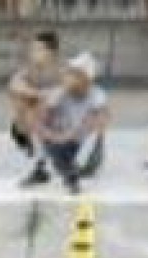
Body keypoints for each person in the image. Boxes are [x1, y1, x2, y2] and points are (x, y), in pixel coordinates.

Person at [23, 52, 107, 195]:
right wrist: (50, 104)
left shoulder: (97, 95)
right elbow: (37, 122)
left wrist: (68, 135)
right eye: (69, 72)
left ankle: (50, 170)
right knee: (50, 143)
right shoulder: (59, 93)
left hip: (81, 147)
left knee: (57, 148)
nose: (67, 75)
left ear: (86, 78)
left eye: (74, 73)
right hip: (57, 142)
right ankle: (67, 174)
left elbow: (98, 121)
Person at [5, 30, 61, 164]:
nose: (33, 53)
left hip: (56, 119)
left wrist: (46, 96)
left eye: (38, 49)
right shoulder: (29, 68)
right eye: (33, 49)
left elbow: (67, 92)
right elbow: (14, 84)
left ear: (51, 52)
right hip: (27, 123)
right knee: (20, 96)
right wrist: (39, 94)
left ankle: (48, 143)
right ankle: (30, 139)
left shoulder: (62, 69)